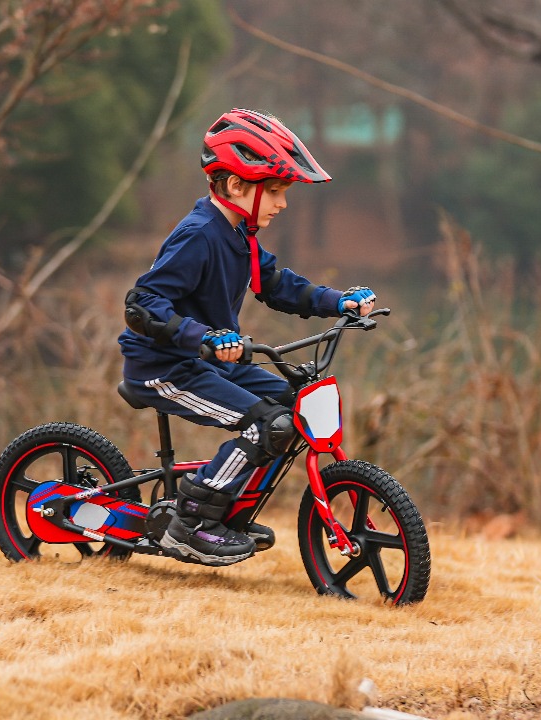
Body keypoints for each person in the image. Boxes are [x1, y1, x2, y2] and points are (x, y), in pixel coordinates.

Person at [118, 108, 377, 566]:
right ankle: (191, 523)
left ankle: (229, 511)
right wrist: (203, 337)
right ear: (236, 185)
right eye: (275, 191)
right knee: (268, 424)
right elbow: (143, 304)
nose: (283, 203)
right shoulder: (199, 235)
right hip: (164, 367)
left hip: (209, 362)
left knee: (293, 411)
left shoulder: (241, 236)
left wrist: (339, 302)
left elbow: (277, 286)